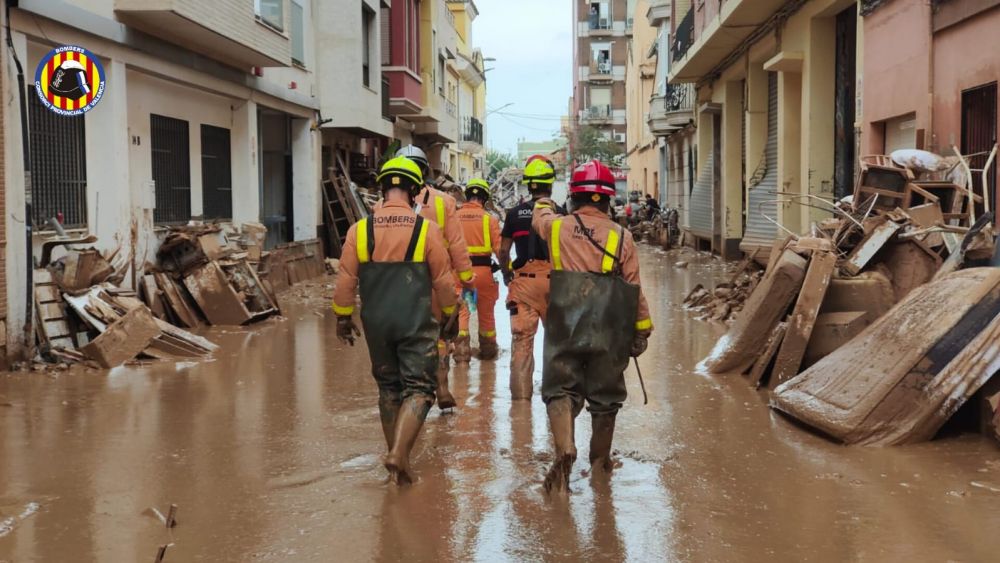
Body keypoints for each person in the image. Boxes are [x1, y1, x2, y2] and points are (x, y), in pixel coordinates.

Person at [332, 156, 459, 485]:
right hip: (414, 321)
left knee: (389, 388)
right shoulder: (426, 230)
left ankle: (396, 463)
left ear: (382, 189)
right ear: (416, 191)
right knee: (419, 388)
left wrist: (342, 318)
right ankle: (399, 454)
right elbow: (444, 281)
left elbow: (345, 281)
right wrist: (450, 314)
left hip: (377, 323)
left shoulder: (359, 231)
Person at [532, 159, 653, 493]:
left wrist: (542, 197)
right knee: (605, 399)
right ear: (608, 199)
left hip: (564, 324)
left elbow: (539, 219)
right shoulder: (623, 237)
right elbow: (634, 289)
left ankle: (565, 448)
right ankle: (600, 469)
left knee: (560, 389)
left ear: (574, 196)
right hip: (608, 330)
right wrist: (641, 331)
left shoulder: (556, 227)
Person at [395, 145, 474, 410]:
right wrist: (466, 278)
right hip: (437, 281)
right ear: (425, 170)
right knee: (440, 335)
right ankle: (441, 386)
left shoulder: (384, 205)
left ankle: (409, 393)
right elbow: (456, 244)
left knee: (406, 337)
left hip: (400, 284)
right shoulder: (444, 201)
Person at [499, 156, 565, 400]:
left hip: (524, 284)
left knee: (522, 344)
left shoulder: (514, 214)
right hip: (555, 283)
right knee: (557, 344)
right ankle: (556, 398)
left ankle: (520, 407)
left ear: (528, 185)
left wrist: (507, 274)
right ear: (550, 185)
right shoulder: (560, 213)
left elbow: (504, 250)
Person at [453, 178, 503, 362]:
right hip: (483, 273)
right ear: (484, 198)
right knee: (486, 313)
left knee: (462, 311)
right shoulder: (490, 220)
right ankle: (489, 354)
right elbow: (500, 251)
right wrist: (509, 272)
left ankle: (461, 353)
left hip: (459, 272)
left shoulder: (454, 217)